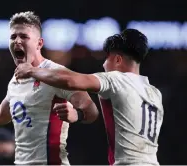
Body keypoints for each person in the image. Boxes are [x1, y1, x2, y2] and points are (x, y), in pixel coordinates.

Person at [0, 11, 99, 165]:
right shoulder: (16, 79)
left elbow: (91, 111)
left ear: (39, 43)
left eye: (24, 36)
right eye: (13, 36)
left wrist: (76, 115)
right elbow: (1, 113)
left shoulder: (58, 74)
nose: (17, 41)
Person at [15, 29, 164, 165]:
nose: (104, 65)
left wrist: (33, 71)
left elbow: (71, 80)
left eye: (106, 59)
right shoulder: (155, 93)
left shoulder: (117, 79)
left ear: (118, 60)